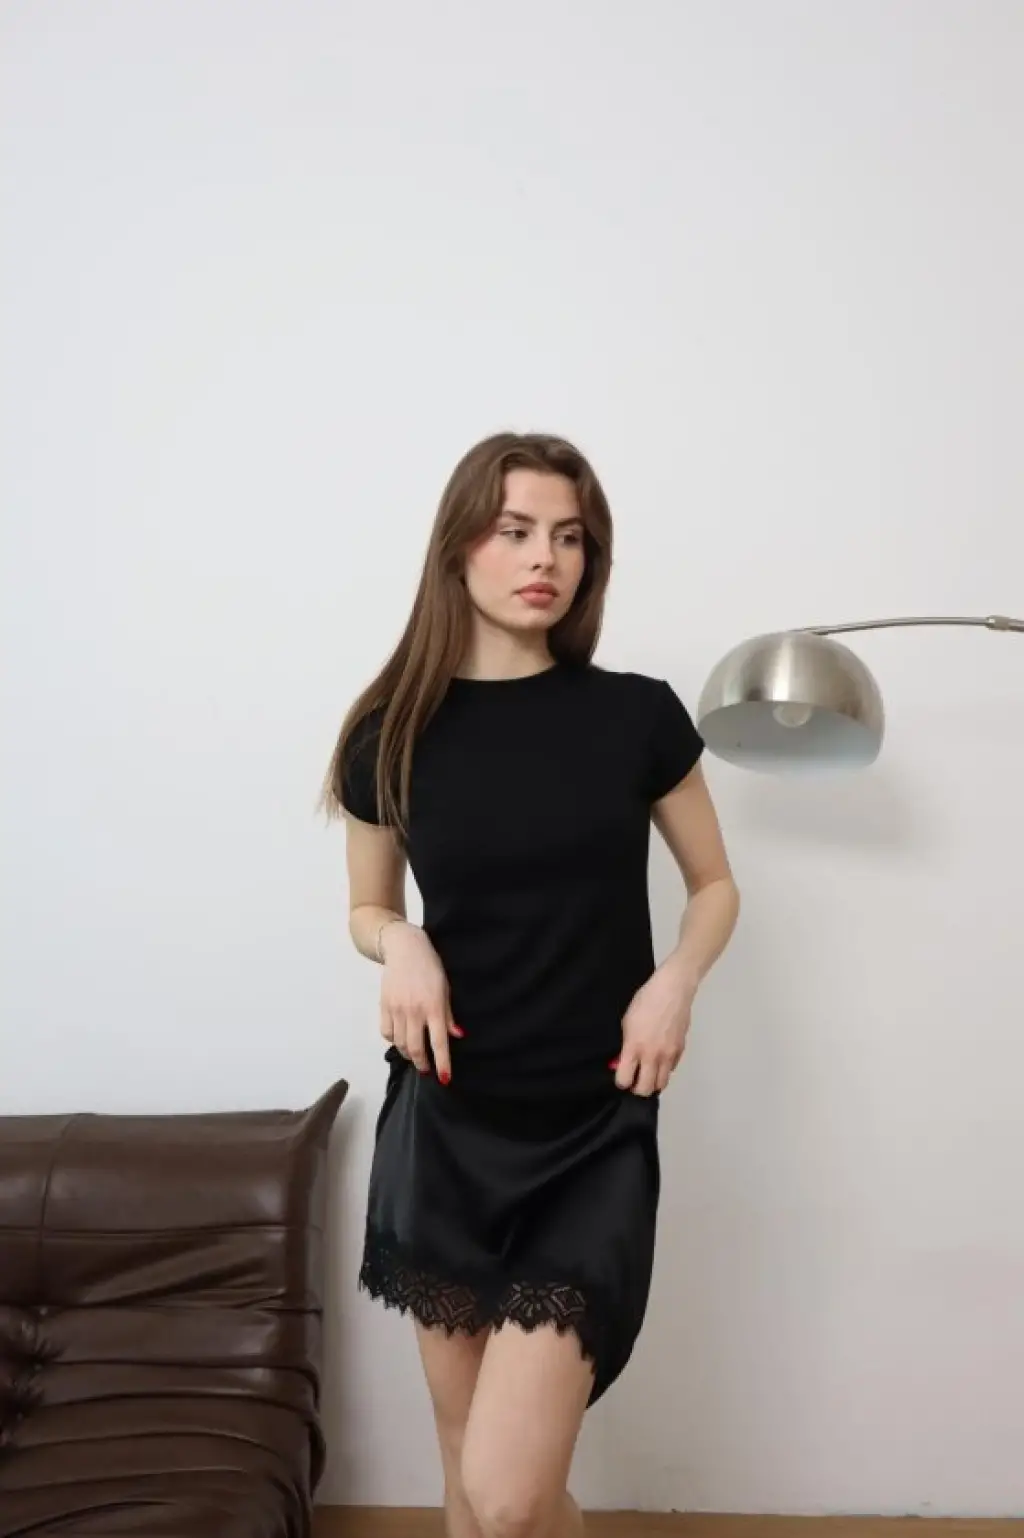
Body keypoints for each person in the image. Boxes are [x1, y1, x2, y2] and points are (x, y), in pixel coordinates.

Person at [323, 431, 739, 1538]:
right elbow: (365, 907)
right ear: (458, 545)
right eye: (514, 530)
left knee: (509, 1490)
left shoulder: (636, 716)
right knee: (472, 1471)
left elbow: (714, 886)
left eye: (568, 536)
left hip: (594, 1126)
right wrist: (401, 942)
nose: (544, 557)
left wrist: (674, 980)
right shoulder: (388, 732)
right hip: (446, 1123)